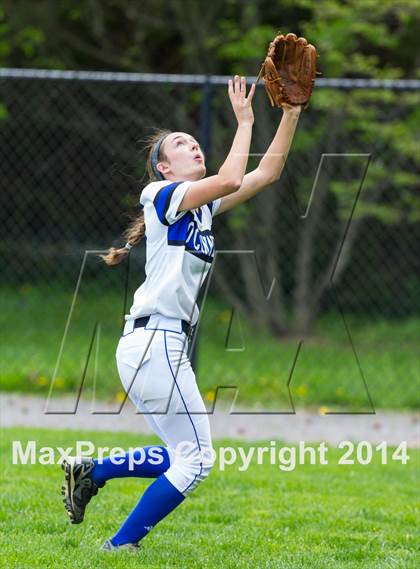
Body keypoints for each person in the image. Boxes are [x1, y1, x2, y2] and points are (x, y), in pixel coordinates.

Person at [61, 75, 301, 551]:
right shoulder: (160, 197)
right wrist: (246, 120)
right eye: (181, 145)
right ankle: (120, 545)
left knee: (181, 452)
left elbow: (264, 174)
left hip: (154, 347)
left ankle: (94, 471)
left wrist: (291, 113)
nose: (193, 146)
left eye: (194, 142)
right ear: (164, 169)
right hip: (154, 345)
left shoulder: (201, 209)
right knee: (196, 461)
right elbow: (232, 176)